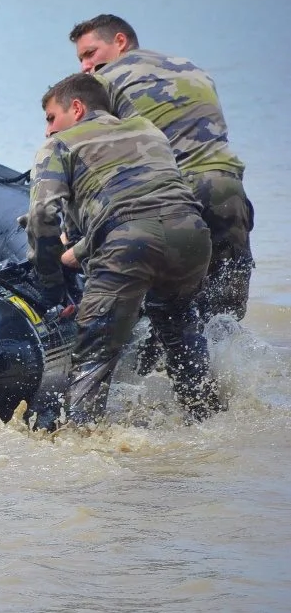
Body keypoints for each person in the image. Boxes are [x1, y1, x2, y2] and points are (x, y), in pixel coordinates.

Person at [27, 72, 219, 427]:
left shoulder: (59, 146)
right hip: (192, 236)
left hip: (128, 243)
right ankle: (207, 421)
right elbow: (144, 203)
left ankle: (85, 445)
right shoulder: (148, 129)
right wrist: (83, 250)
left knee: (94, 359)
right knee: (181, 337)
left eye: (51, 118)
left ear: (78, 109)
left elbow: (42, 215)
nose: (48, 130)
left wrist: (51, 282)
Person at [69, 13, 253, 321]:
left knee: (163, 314)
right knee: (226, 315)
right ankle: (231, 366)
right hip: (228, 190)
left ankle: (153, 367)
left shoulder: (102, 84)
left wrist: (75, 239)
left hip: (174, 202)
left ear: (120, 41)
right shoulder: (193, 69)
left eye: (90, 54)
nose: (85, 66)